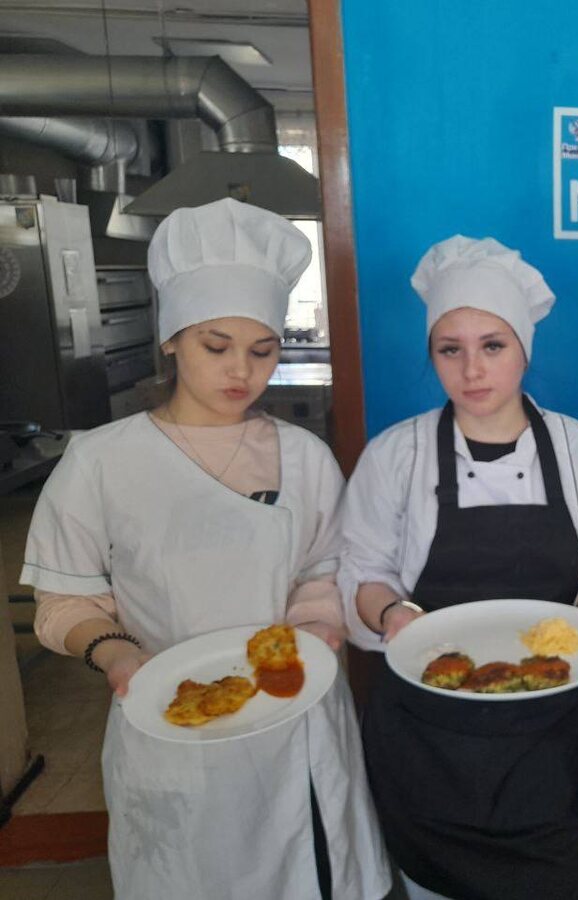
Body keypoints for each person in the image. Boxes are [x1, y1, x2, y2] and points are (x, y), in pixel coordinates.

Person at [20, 198, 391, 899]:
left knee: (309, 872)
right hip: (170, 727)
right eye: (215, 347)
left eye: (263, 350)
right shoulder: (103, 461)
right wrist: (116, 653)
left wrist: (317, 626)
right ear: (171, 339)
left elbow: (323, 570)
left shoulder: (305, 457)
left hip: (295, 727)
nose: (240, 371)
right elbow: (64, 602)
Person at [339, 235, 578, 900]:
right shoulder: (395, 456)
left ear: (524, 349)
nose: (472, 369)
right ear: (432, 355)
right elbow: (363, 571)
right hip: (427, 738)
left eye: (493, 346)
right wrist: (392, 615)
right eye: (450, 349)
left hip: (546, 738)